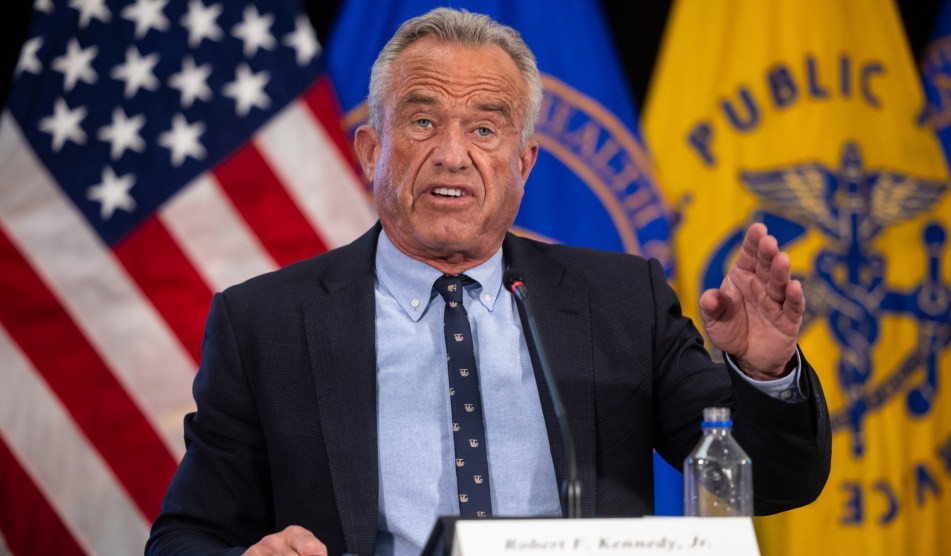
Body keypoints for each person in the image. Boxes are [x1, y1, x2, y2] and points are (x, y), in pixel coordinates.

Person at [146, 8, 831, 556]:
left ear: (524, 162)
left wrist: (764, 371)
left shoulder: (623, 302)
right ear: (370, 151)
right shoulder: (266, 322)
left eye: (484, 128)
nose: (452, 154)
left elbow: (770, 482)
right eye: (421, 122)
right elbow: (183, 537)